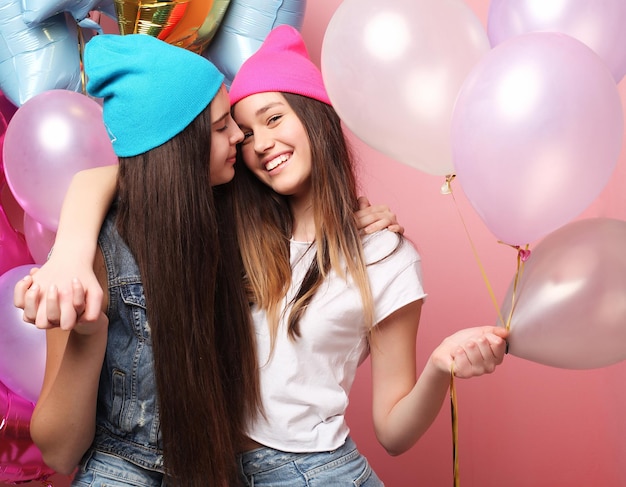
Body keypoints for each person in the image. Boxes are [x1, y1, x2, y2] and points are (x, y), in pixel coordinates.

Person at [16, 26, 507, 487]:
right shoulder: (182, 233)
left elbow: (393, 429)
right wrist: (71, 260)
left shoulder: (348, 246)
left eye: (267, 120)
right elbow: (126, 178)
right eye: (234, 129)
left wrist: (439, 364)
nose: (249, 141)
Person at [18, 33, 262, 487]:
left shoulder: (242, 211)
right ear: (177, 148)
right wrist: (89, 334)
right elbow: (58, 452)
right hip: (121, 471)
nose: (240, 134)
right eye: (221, 126)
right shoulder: (94, 253)